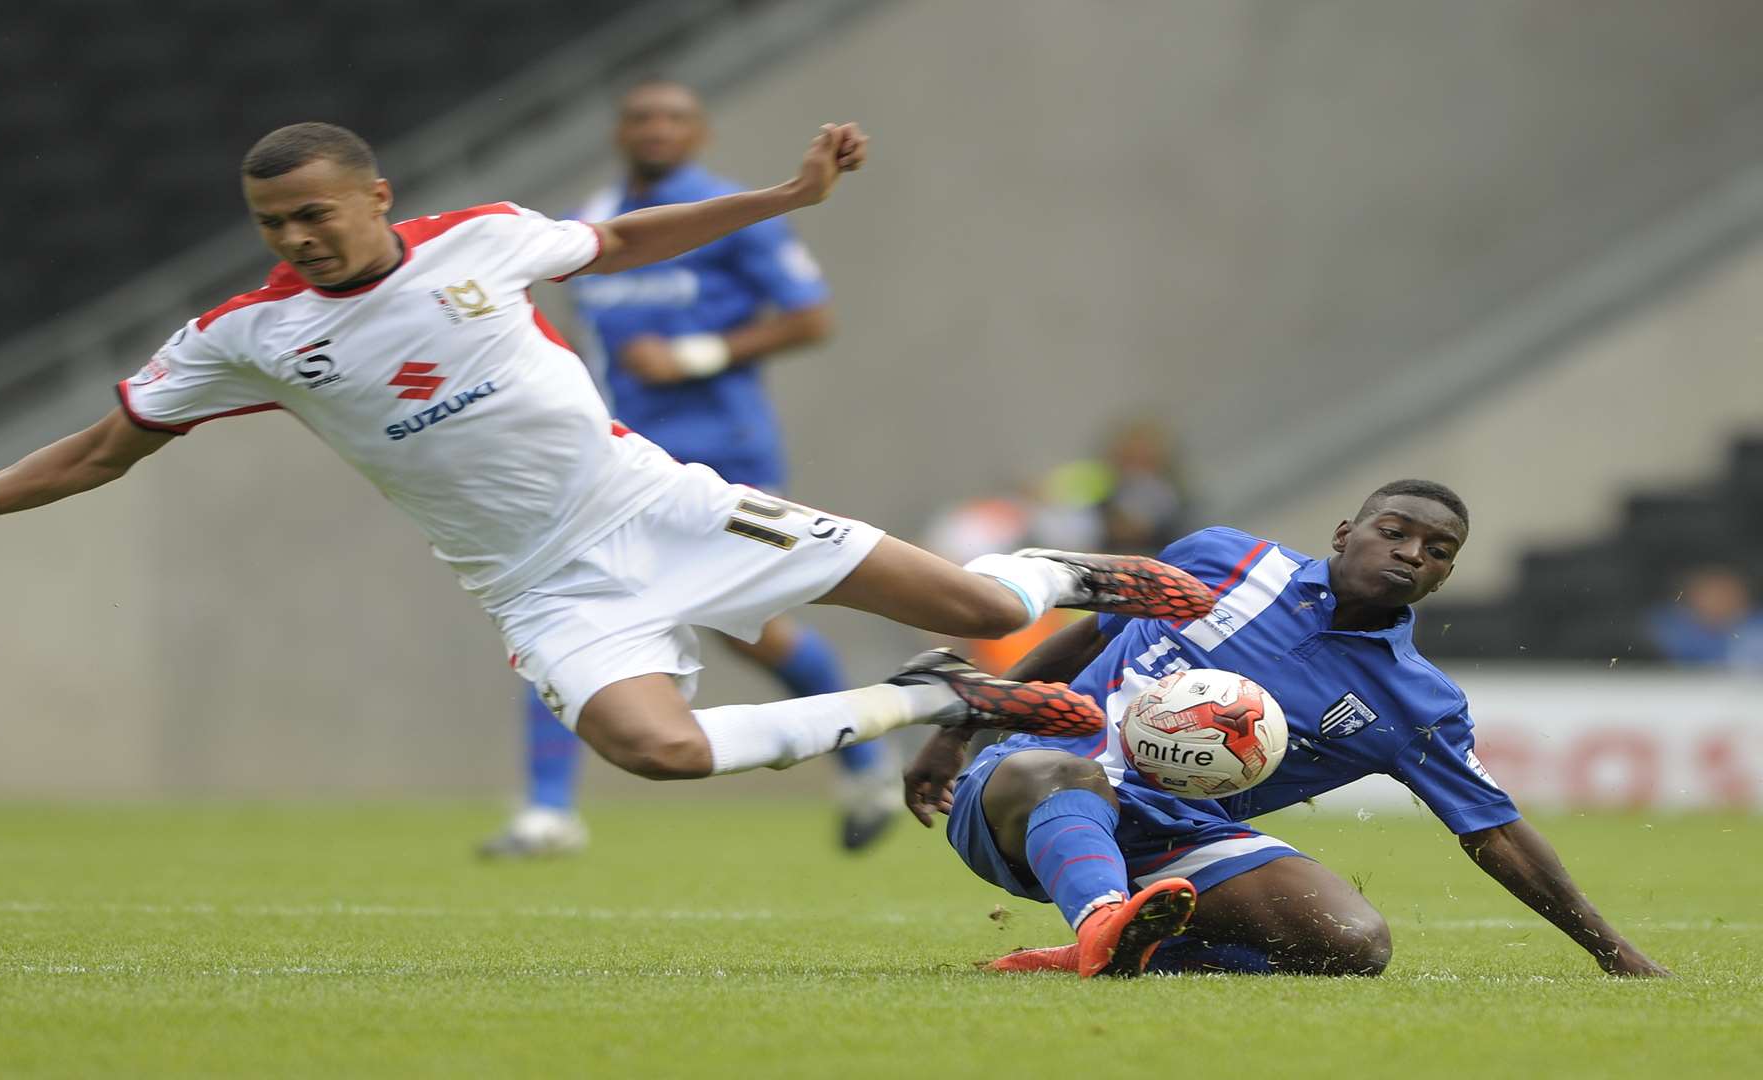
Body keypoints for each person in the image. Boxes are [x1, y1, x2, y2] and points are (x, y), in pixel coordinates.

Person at [0, 121, 1221, 797]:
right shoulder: (243, 338)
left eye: (318, 213)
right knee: (658, 753)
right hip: (540, 587)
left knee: (992, 610)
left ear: (376, 197)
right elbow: (106, 448)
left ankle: (1061, 575)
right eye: (276, 223)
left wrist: (787, 199)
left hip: (669, 509)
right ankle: (932, 708)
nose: (300, 239)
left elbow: (619, 244)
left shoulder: (482, 239)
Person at [903, 480, 1671, 979]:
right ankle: (1103, 920)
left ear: (1445, 578)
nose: (1412, 554)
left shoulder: (1414, 703)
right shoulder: (1223, 559)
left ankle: (1120, 947)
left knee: (1351, 942)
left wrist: (1616, 953)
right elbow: (1090, 636)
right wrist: (964, 724)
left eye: (1438, 553)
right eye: (1395, 532)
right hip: (1029, 785)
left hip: (1174, 835)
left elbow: (1495, 831)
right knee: (1064, 774)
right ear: (1345, 533)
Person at [483, 80, 894, 858]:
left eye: (674, 118)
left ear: (699, 132)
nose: (657, 129)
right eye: (642, 117)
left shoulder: (727, 214)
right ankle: (547, 811)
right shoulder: (606, 218)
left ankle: (869, 759)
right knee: (566, 608)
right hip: (616, 458)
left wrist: (698, 354)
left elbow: (813, 316)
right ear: (619, 132)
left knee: (753, 630)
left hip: (722, 450)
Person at [1645, 564, 1763, 670]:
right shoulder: (1668, 629)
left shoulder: (1757, 628)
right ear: (1691, 596)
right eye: (1710, 594)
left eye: (1724, 593)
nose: (1717, 601)